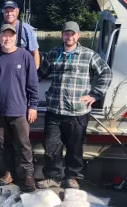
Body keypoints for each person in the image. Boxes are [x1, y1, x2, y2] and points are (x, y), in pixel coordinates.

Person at [36, 21, 112, 190]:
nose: (69, 37)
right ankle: (53, 177)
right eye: (66, 33)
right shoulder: (54, 53)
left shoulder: (89, 55)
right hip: (54, 109)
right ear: (62, 35)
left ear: (78, 35)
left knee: (75, 147)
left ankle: (72, 176)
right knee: (51, 146)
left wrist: (95, 94)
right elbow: (40, 74)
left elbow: (106, 73)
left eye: (73, 34)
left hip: (77, 112)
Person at [0, 24, 39, 192]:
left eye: (10, 35)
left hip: (20, 110)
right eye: (4, 36)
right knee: (4, 144)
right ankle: (9, 172)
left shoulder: (25, 56)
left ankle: (28, 175)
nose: (7, 38)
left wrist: (33, 105)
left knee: (24, 144)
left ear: (15, 37)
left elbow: (33, 84)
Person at [0, 0, 40, 69]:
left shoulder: (27, 29)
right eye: (7, 11)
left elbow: (35, 53)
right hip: (1, 68)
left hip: (21, 69)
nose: (9, 14)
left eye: (12, 11)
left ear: (17, 11)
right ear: (3, 12)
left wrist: (33, 72)